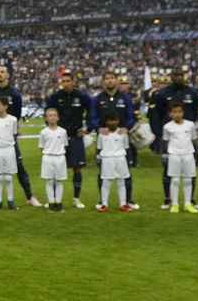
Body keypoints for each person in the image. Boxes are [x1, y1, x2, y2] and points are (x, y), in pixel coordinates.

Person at [0, 65, 40, 207]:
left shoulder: (15, 94)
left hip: (9, 137)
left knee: (19, 165)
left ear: (8, 75)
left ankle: (29, 196)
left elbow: (17, 116)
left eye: (2, 72)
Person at [89, 70, 138, 210]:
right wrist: (98, 127)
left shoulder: (125, 98)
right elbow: (91, 117)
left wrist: (127, 127)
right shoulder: (97, 99)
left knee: (126, 173)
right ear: (103, 82)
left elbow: (131, 116)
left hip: (121, 137)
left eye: (112, 78)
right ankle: (102, 201)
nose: (109, 80)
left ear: (117, 80)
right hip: (104, 138)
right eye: (107, 78)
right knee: (103, 173)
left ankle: (128, 200)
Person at [155, 69, 198, 209]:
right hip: (171, 139)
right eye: (176, 75)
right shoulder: (163, 93)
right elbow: (157, 114)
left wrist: (196, 150)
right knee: (170, 174)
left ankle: (190, 200)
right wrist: (159, 135)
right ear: (171, 77)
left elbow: (195, 111)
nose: (179, 78)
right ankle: (168, 200)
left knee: (190, 175)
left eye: (181, 75)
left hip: (187, 137)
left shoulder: (192, 93)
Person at [46, 72, 92, 209]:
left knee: (77, 169)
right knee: (55, 169)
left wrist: (88, 128)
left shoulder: (81, 96)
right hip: (59, 138)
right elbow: (47, 112)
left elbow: (91, 111)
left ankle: (76, 199)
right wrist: (51, 129)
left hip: (76, 137)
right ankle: (53, 199)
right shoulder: (55, 97)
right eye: (63, 81)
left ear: (73, 82)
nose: (65, 83)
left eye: (68, 80)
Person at [162, 103, 198, 214]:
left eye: (179, 112)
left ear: (183, 113)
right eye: (174, 112)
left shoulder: (190, 124)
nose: (177, 114)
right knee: (175, 180)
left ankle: (188, 204)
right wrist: (165, 155)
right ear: (170, 114)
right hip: (174, 154)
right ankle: (175, 204)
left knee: (188, 180)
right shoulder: (167, 127)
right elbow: (165, 141)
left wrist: (196, 154)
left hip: (188, 154)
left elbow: (194, 139)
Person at [96, 113, 131, 213]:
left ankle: (123, 204)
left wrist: (128, 160)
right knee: (106, 182)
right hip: (107, 159)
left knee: (121, 181)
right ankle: (104, 204)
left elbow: (126, 147)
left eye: (114, 120)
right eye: (110, 120)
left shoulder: (123, 133)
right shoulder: (102, 133)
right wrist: (98, 159)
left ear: (118, 121)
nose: (112, 122)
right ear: (106, 122)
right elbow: (99, 148)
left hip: (120, 159)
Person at [0, 97, 19, 210]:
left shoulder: (13, 119)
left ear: (5, 106)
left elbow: (14, 133)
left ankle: (10, 201)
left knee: (9, 177)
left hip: (9, 149)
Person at [39, 108, 68, 212]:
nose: (52, 117)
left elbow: (65, 145)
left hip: (60, 158)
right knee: (49, 181)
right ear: (46, 118)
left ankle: (59, 203)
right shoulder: (43, 132)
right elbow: (41, 147)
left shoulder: (63, 131)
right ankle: (51, 203)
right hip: (48, 158)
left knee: (59, 181)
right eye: (50, 115)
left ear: (58, 117)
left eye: (54, 115)